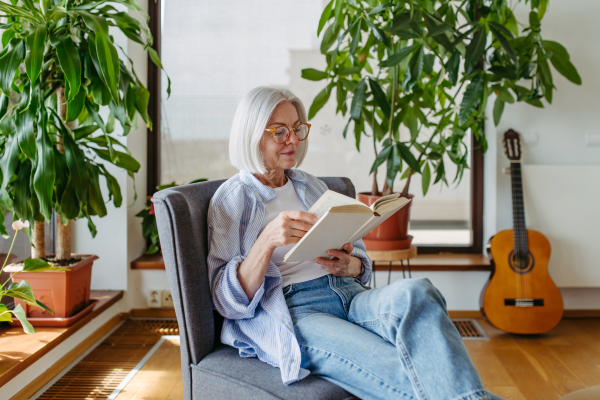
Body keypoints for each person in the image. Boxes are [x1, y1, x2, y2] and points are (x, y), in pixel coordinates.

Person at [207, 86, 502, 400]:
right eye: (280, 132)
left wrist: (351, 264)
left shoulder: (310, 185)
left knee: (420, 292)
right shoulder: (233, 200)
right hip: (299, 312)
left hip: (349, 294)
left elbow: (360, 259)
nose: (293, 140)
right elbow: (225, 302)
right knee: (401, 369)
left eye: (297, 129)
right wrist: (265, 242)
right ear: (252, 135)